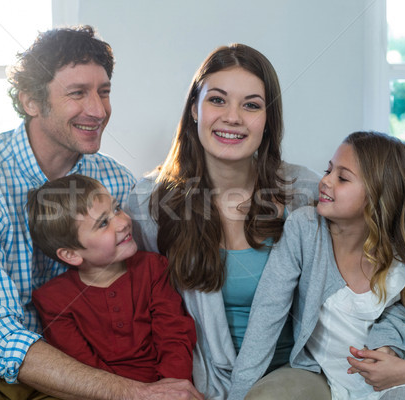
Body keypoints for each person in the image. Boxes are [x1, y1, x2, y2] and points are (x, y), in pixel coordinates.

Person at [0, 26, 204, 400]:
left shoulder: (113, 180)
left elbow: (158, 267)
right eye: (77, 94)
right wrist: (139, 393)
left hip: (86, 359)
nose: (98, 111)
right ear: (32, 101)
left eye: (103, 92)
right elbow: (0, 338)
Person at [126, 43, 329, 400]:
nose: (232, 117)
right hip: (197, 376)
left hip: (290, 375)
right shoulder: (149, 201)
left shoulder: (305, 193)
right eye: (217, 100)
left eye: (251, 105)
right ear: (194, 109)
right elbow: (141, 305)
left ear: (268, 121)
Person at [228, 131, 405, 400]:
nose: (325, 181)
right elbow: (267, 314)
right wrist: (237, 394)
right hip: (327, 380)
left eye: (342, 177)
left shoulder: (403, 269)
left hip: (398, 387)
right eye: (329, 170)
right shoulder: (305, 229)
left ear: (378, 196)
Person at [28, 174, 196, 383]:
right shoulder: (53, 301)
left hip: (169, 387)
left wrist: (171, 386)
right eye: (103, 223)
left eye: (116, 208)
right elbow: (83, 368)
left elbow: (174, 336)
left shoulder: (153, 268)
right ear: (71, 254)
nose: (122, 222)